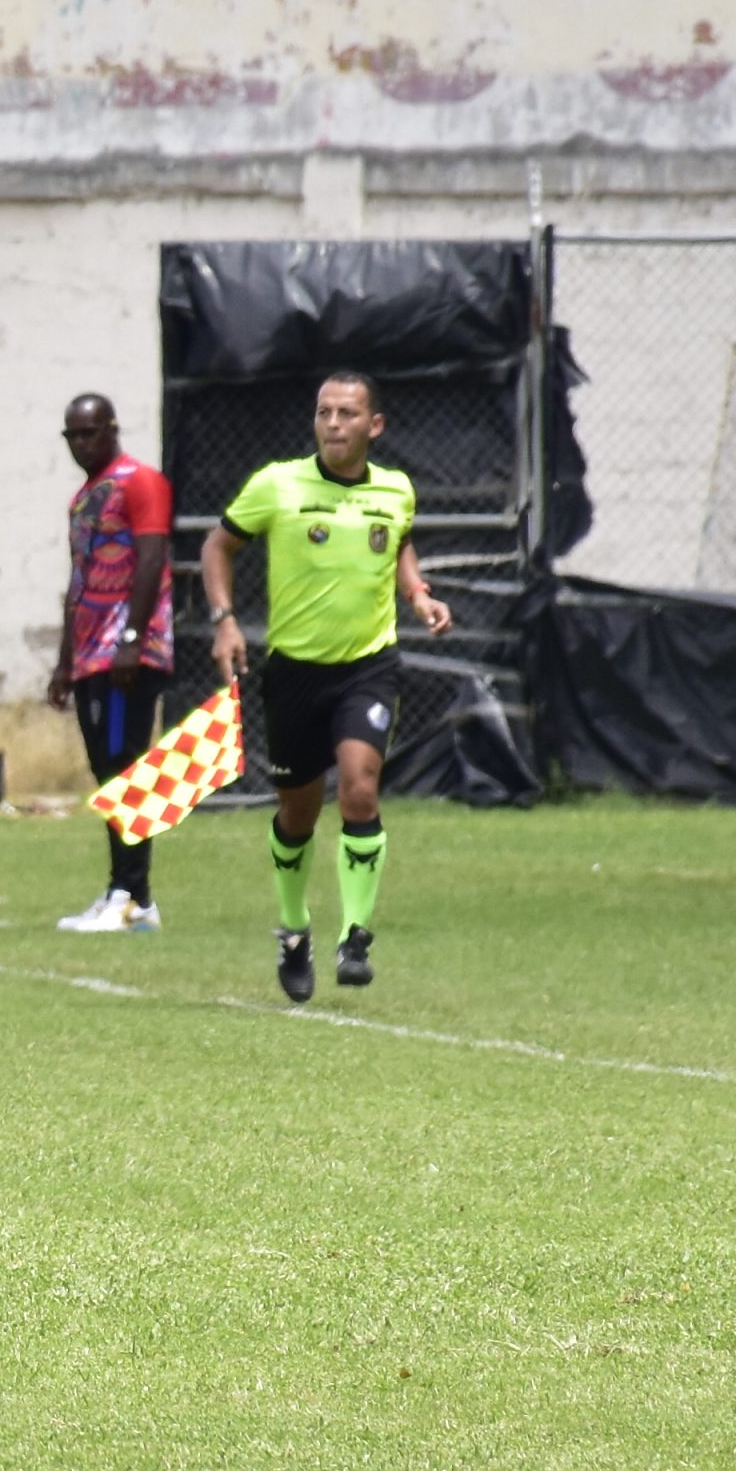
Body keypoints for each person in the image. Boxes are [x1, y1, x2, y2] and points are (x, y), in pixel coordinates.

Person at [201, 372, 453, 1001]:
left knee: (360, 791)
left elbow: (396, 542)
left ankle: (356, 936)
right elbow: (217, 546)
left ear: (375, 426)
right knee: (298, 814)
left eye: (347, 413)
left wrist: (417, 594)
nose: (333, 423)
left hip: (367, 665)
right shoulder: (278, 484)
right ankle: (293, 930)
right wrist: (225, 621)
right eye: (323, 412)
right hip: (294, 673)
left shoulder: (396, 490)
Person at [45, 394, 173, 933]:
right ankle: (130, 895)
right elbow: (79, 581)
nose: (81, 444)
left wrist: (131, 637)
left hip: (126, 650)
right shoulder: (84, 497)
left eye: (89, 433)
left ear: (113, 430)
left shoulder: (138, 482)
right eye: (72, 435)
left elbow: (150, 558)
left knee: (126, 766)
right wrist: (62, 661)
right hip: (90, 651)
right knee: (107, 770)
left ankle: (130, 895)